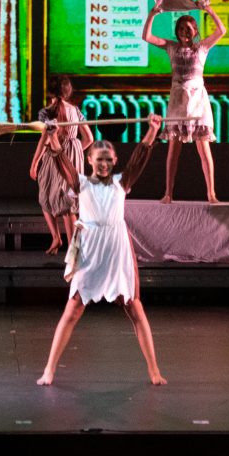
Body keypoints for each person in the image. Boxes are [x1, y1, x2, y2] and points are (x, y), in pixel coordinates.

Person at [36, 116, 168, 387]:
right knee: (73, 309)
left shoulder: (122, 182)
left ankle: (154, 370)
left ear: (115, 160)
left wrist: (153, 130)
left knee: (135, 307)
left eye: (108, 159)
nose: (104, 164)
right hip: (90, 249)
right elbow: (61, 161)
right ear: (90, 160)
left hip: (117, 248)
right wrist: (52, 136)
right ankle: (49, 369)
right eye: (99, 160)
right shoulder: (81, 183)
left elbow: (139, 158)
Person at [141, 0, 225, 204]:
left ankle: (211, 194)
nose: (184, 32)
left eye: (188, 29)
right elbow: (147, 36)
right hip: (178, 101)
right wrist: (153, 13)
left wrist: (208, 9)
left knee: (204, 149)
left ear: (195, 31)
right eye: (181, 29)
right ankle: (168, 193)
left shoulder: (202, 47)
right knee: (173, 150)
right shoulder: (171, 47)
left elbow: (222, 31)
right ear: (176, 32)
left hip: (198, 102)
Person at [29, 76, 94, 255]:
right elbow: (89, 138)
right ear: (68, 91)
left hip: (54, 154)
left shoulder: (46, 112)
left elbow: (45, 140)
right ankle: (72, 248)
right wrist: (75, 151)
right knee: (68, 202)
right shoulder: (75, 110)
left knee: (46, 196)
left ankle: (58, 238)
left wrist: (35, 163)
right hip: (72, 157)